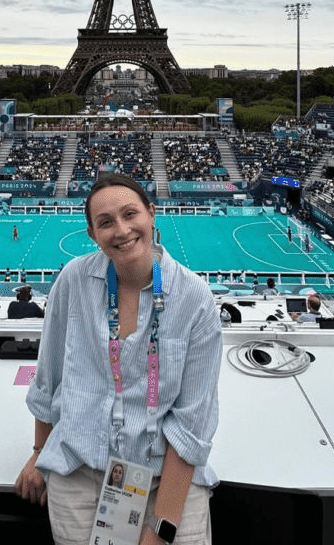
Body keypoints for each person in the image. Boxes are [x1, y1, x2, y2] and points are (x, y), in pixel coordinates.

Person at [15, 173, 222, 545]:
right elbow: (48, 380)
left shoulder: (195, 298)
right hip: (78, 472)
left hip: (166, 478)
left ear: (152, 214)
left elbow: (192, 423)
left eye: (130, 214)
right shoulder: (73, 281)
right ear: (93, 234)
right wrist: (37, 454)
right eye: (105, 222)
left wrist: (161, 528)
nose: (122, 229)